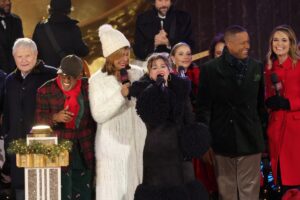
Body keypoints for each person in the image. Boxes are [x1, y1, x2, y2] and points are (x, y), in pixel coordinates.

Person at [196, 25, 265, 200]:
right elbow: (203, 109)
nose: (247, 46)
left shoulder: (256, 67)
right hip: (222, 141)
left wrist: (263, 135)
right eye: (242, 43)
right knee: (227, 194)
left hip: (250, 139)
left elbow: (260, 106)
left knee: (249, 195)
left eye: (248, 42)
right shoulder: (210, 69)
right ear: (228, 44)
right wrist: (205, 142)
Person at [130, 53, 209, 200]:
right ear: (149, 72)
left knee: (182, 189)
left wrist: (191, 143)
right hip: (156, 151)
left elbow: (189, 117)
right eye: (154, 67)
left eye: (163, 66)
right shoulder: (145, 92)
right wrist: (159, 88)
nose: (159, 69)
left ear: (169, 70)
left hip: (179, 150)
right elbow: (150, 116)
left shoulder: (181, 91)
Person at [88, 24, 146, 200]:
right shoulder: (97, 80)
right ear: (109, 56)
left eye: (127, 54)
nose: (124, 59)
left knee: (138, 189)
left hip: (138, 141)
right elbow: (98, 114)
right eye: (119, 55)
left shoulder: (138, 73)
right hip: (112, 144)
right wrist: (120, 96)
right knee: (113, 191)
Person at [2, 38, 57, 200]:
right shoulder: (10, 80)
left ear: (36, 55)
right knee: (20, 192)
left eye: (28, 56)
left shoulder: (52, 75)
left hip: (44, 146)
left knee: (44, 190)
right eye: (19, 57)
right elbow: (8, 116)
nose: (24, 60)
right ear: (14, 57)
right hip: (17, 148)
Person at [35, 54, 95, 199]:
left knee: (83, 191)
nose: (66, 80)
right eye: (63, 75)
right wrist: (55, 117)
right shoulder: (45, 90)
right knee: (61, 192)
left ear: (79, 76)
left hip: (83, 147)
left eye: (71, 76)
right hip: (58, 147)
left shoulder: (88, 87)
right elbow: (39, 119)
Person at [264, 25, 300, 194]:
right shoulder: (269, 67)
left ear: (291, 43)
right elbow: (266, 94)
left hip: (295, 132)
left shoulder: (298, 65)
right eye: (275, 40)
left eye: (284, 40)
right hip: (276, 130)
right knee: (283, 183)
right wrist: (268, 102)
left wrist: (288, 104)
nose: (279, 44)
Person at [32, 0, 89, 68]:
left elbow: (34, 51)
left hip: (46, 74)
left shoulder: (40, 27)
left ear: (50, 8)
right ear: (69, 9)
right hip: (66, 75)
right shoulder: (72, 27)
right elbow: (83, 52)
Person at [0, 0, 23, 73]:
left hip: (15, 71)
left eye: (9, 0)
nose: (7, 3)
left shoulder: (16, 20)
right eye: (3, 1)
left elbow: (21, 45)